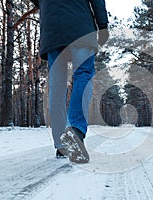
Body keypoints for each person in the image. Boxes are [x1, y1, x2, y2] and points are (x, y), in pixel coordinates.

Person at [29, 0, 109, 163]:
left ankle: (61, 143)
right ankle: (75, 129)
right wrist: (103, 25)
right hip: (80, 27)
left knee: (57, 85)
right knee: (83, 75)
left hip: (51, 30)